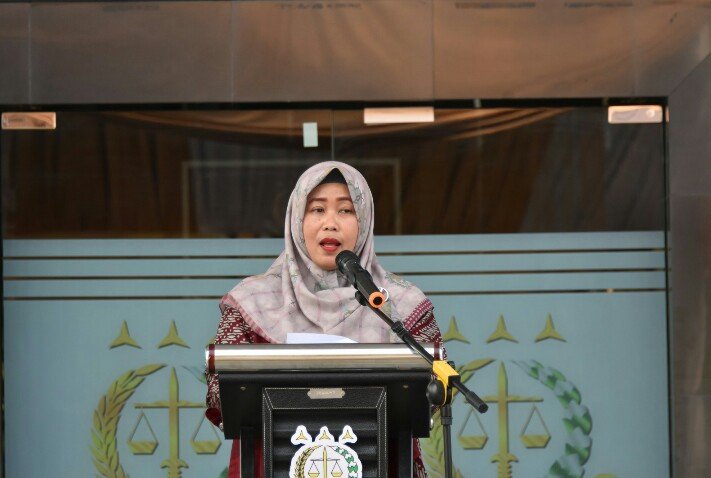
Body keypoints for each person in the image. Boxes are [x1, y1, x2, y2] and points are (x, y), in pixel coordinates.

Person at [205, 161, 445, 478]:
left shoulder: (401, 304)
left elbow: (435, 388)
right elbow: (220, 393)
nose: (330, 224)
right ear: (297, 219)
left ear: (364, 221)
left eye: (346, 210)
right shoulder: (252, 302)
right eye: (317, 210)